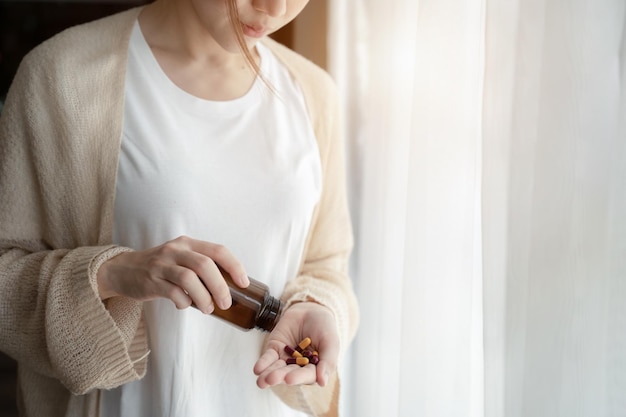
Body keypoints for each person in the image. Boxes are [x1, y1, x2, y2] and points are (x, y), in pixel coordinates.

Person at [0, 0, 359, 416]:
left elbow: (327, 265)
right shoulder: (61, 77)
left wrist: (316, 307)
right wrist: (112, 275)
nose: (274, 6)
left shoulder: (313, 93)